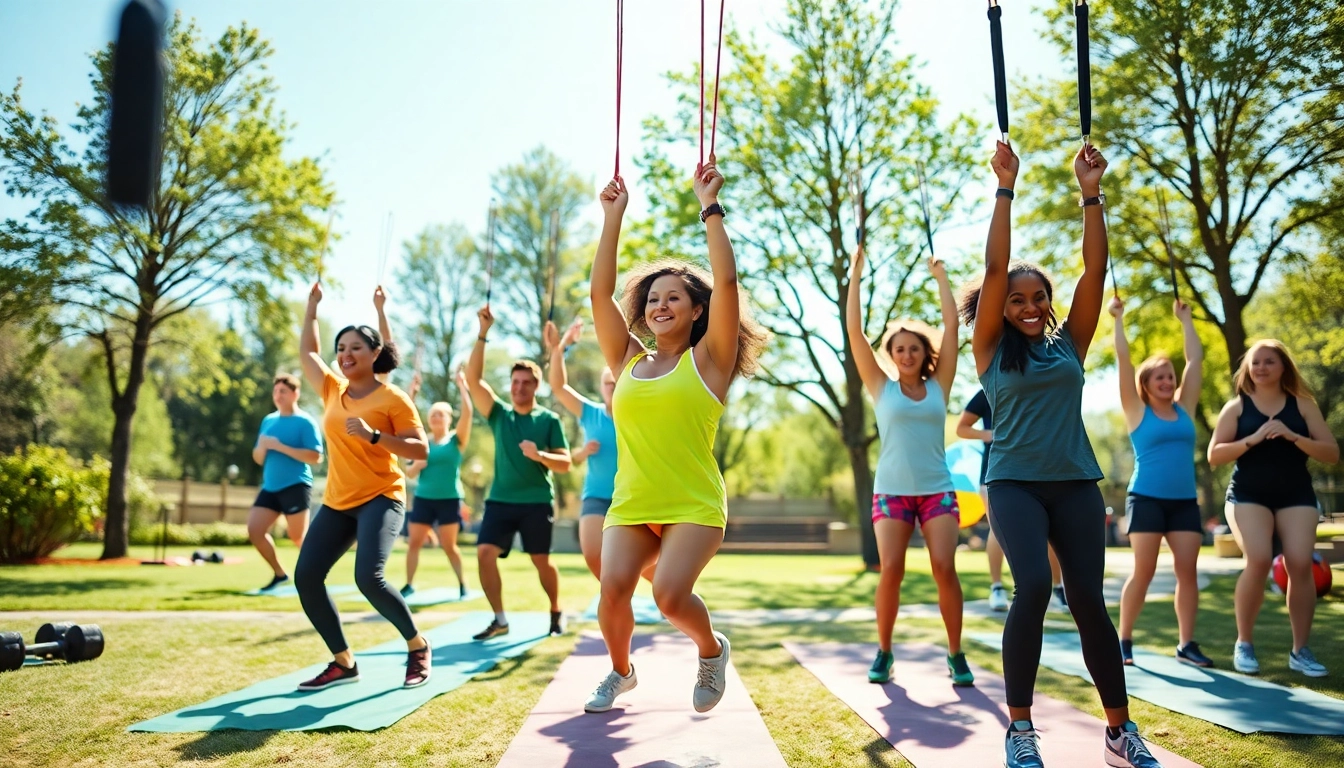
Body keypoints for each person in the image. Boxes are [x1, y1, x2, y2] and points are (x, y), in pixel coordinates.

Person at [960, 141, 1164, 768]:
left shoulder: (1069, 346)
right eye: (1016, 299)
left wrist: (1091, 193)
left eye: (1036, 297)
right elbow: (995, 271)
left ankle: (1119, 732)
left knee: (1087, 605)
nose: (1026, 305)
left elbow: (1094, 275)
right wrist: (1005, 188)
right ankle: (1020, 731)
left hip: (1076, 482)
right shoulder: (990, 350)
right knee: (1030, 590)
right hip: (1015, 484)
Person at [584, 158, 767, 714]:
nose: (660, 306)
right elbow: (599, 296)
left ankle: (711, 651)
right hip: (634, 500)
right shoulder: (627, 359)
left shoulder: (711, 360)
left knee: (667, 596)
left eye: (674, 299)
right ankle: (621, 672)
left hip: (692, 501)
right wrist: (612, 217)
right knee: (612, 588)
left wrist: (709, 207)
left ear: (696, 312)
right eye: (654, 299)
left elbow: (729, 282)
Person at [293, 282, 432, 691]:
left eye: (355, 347)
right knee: (306, 576)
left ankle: (417, 646)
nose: (345, 355)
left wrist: (375, 436)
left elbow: (418, 448)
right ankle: (343, 661)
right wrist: (312, 310)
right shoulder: (332, 388)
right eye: (341, 349)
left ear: (375, 354)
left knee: (368, 578)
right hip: (338, 500)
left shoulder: (393, 399)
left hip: (381, 496)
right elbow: (307, 353)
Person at [846, 245, 971, 687]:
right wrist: (856, 275)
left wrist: (940, 277)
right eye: (898, 348)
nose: (905, 354)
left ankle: (956, 654)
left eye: (913, 348)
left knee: (944, 568)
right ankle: (883, 652)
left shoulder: (941, 384)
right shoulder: (881, 387)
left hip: (937, 490)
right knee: (891, 572)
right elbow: (855, 332)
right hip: (892, 492)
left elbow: (953, 326)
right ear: (891, 353)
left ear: (923, 352)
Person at [1208, 340, 1338, 678]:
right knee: (1260, 559)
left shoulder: (1303, 406)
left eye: (1269, 361)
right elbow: (1215, 455)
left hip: (1295, 494)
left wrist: (1294, 436)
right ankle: (1244, 642)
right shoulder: (1236, 408)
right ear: (1248, 369)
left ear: (1283, 367)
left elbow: (1330, 453)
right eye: (1256, 362)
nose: (1261, 367)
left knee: (1299, 562)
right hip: (1248, 495)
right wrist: (1252, 439)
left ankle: (1300, 651)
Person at [1111, 297, 1212, 667]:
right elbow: (1124, 361)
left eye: (1171, 375)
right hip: (1147, 499)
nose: (1168, 381)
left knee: (1189, 571)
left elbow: (1196, 361)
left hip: (1184, 501)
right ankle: (1124, 640)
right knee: (1145, 571)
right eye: (1160, 377)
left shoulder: (1185, 407)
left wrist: (1185, 320)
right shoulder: (1137, 411)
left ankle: (1186, 644)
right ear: (1146, 384)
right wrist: (1118, 320)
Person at [465, 309, 570, 640]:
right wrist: (483, 333)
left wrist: (539, 455)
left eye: (526, 383)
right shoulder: (499, 414)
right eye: (514, 382)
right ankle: (499, 619)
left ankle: (555, 611)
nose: (519, 388)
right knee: (484, 553)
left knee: (541, 561)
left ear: (536, 386)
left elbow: (565, 463)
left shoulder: (548, 420)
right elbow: (473, 380)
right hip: (500, 501)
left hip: (536, 502)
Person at [956, 391, 1069, 614]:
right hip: (994, 472)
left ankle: (1058, 588)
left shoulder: (1038, 383)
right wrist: (989, 435)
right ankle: (997, 588)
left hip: (1036, 469)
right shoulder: (988, 389)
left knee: (1047, 529)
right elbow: (962, 428)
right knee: (998, 529)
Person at [545, 318, 620, 579]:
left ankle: (662, 594)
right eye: (607, 383)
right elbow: (558, 387)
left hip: (633, 497)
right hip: (597, 495)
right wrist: (561, 347)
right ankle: (615, 596)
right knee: (592, 554)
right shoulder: (590, 413)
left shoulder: (638, 415)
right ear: (601, 387)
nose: (612, 387)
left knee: (643, 563)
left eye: (616, 381)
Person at [401, 368, 473, 599]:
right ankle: (409, 584)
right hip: (424, 498)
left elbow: (468, 414)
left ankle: (462, 583)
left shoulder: (456, 441)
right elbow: (409, 473)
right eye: (432, 415)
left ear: (448, 419)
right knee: (414, 543)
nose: (435, 418)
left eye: (440, 414)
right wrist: (411, 393)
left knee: (449, 546)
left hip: (449, 499)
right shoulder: (422, 442)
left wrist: (462, 385)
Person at [247, 373, 323, 593]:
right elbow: (259, 458)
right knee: (255, 530)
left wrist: (280, 447)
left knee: (298, 537)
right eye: (276, 391)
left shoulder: (305, 422)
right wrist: (262, 447)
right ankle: (280, 573)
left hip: (296, 485)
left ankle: (316, 576)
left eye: (283, 391)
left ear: (295, 394)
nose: (278, 395)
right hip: (270, 486)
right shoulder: (268, 421)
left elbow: (316, 457)